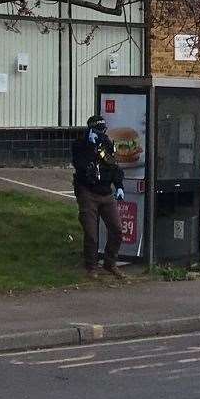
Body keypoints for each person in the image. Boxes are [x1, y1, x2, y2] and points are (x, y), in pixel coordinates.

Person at [71, 115, 126, 279]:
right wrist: (90, 146)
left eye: (103, 130)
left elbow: (114, 167)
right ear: (89, 129)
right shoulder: (80, 145)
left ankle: (110, 263)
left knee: (117, 229)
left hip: (106, 193)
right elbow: (80, 165)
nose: (101, 133)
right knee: (91, 233)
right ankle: (91, 266)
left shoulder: (108, 144)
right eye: (97, 130)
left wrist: (120, 186)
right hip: (87, 192)